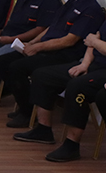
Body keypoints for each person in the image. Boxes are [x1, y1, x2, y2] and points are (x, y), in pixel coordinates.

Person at [0, 0, 103, 127]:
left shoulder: (91, 9)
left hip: (64, 54)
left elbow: (69, 40)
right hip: (47, 47)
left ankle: (27, 112)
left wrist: (38, 47)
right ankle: (26, 105)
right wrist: (33, 43)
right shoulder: (71, 3)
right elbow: (51, 27)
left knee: (18, 67)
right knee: (3, 61)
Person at [12, 18, 106, 161]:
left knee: (77, 86)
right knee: (42, 75)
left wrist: (95, 41)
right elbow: (91, 43)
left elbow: (93, 40)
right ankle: (43, 130)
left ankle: (71, 145)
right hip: (93, 65)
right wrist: (84, 64)